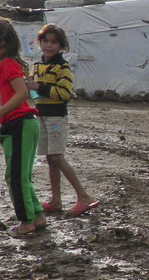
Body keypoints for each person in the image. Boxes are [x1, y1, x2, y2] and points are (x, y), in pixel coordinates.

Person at [0, 16, 47, 237]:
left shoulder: (7, 65)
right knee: (21, 175)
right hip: (20, 124)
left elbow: (22, 94)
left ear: (6, 42)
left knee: (15, 176)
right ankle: (37, 215)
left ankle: (26, 222)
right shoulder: (6, 65)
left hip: (19, 125)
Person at [29, 23, 99, 217]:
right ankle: (56, 200)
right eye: (45, 41)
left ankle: (83, 196)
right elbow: (35, 90)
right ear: (39, 42)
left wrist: (37, 86)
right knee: (51, 159)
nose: (49, 45)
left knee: (57, 156)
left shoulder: (63, 67)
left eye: (54, 42)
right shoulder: (37, 65)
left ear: (61, 46)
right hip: (41, 115)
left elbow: (63, 94)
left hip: (56, 117)